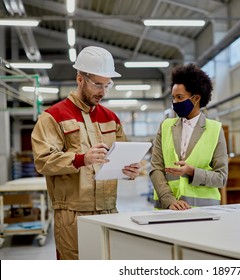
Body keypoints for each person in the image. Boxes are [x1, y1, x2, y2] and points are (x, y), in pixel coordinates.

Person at [31, 46, 141, 260]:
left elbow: (123, 157)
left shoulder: (112, 118)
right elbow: (43, 161)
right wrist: (82, 159)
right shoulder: (53, 117)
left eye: (107, 85)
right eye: (97, 84)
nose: (102, 91)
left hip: (109, 210)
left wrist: (130, 170)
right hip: (73, 215)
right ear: (79, 78)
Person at [150, 63, 228, 210]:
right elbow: (156, 169)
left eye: (180, 97)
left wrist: (192, 172)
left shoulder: (215, 129)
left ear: (196, 98)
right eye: (173, 98)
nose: (175, 103)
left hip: (204, 211)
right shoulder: (165, 126)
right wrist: (169, 200)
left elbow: (221, 178)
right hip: (168, 209)